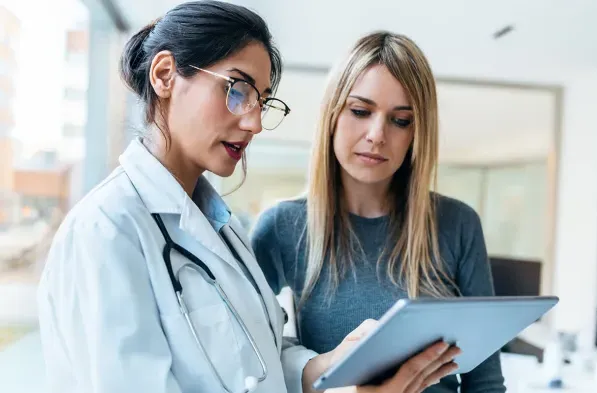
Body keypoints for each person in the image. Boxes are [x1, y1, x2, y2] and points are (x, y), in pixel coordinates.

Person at [36, 3, 459, 393]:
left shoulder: (222, 229)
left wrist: (328, 365)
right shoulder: (107, 231)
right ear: (165, 75)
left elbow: (263, 359)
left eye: (261, 100)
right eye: (237, 89)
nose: (255, 122)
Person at [251, 31, 506, 393]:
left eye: (400, 120)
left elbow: (486, 382)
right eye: (360, 111)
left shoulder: (457, 224)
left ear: (417, 133)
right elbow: (249, 357)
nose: (377, 134)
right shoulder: (283, 228)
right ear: (333, 115)